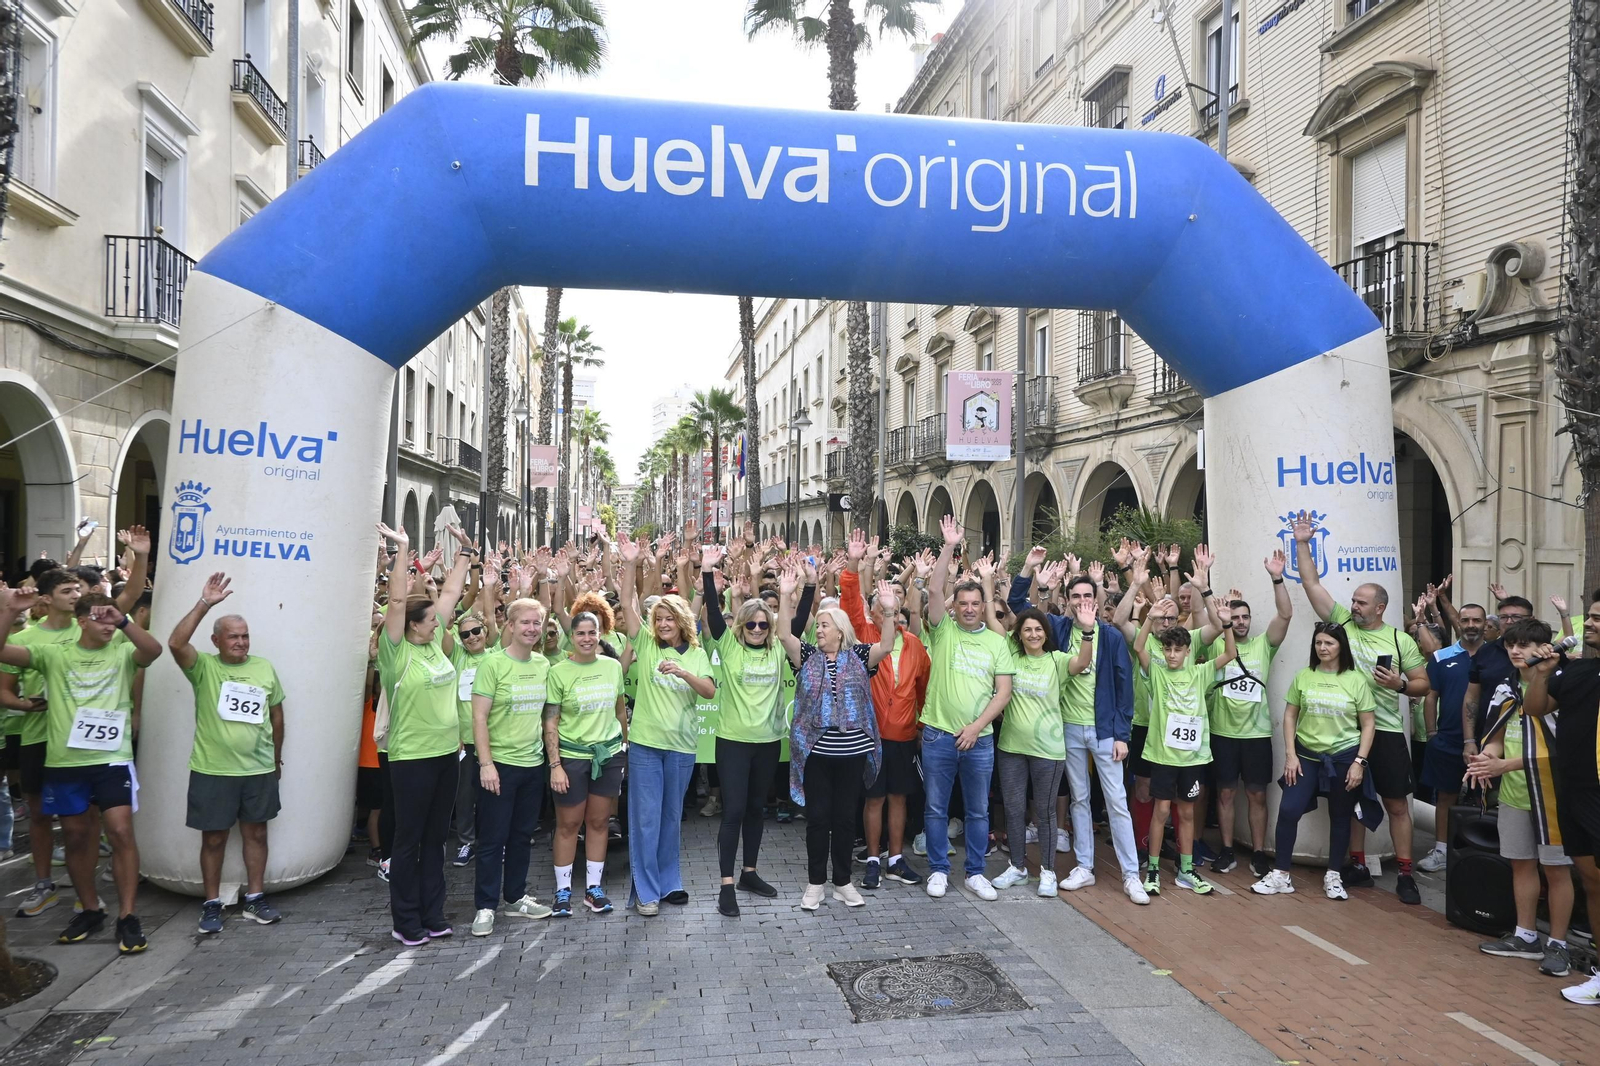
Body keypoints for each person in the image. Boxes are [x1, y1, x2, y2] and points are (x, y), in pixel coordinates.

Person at [0, 586, 162, 953]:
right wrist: (10, 611)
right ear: (82, 622)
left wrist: (124, 620)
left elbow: (153, 651)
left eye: (112, 616)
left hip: (112, 759)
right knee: (75, 835)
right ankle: (90, 909)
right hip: (65, 762)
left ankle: (129, 916)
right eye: (100, 617)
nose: (108, 623)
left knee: (120, 831)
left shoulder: (123, 652)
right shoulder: (54, 655)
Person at [1292, 511, 1428, 904]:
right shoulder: (1342, 625)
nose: (1353, 605)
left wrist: (1400, 683)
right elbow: (1312, 583)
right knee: (1350, 803)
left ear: (1380, 608)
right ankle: (1357, 866)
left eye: (1361, 602)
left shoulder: (1400, 640)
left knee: (1396, 803)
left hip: (1383, 731)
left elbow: (1424, 683)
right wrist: (1303, 542)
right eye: (1352, 600)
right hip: (1345, 734)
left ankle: (1405, 873)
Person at [1010, 553, 1146, 905]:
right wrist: (1032, 575)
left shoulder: (1112, 637)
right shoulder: (1058, 629)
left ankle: (1131, 874)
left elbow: (1124, 688)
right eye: (1077, 597)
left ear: (1097, 600)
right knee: (1080, 800)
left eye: (1089, 596)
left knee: (1117, 801)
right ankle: (1084, 865)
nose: (1083, 602)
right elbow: (1017, 605)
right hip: (1068, 728)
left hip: (1103, 731)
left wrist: (1121, 735)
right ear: (1068, 601)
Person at [168, 572, 286, 934]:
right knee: (214, 838)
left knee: (257, 835)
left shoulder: (264, 667)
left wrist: (276, 759)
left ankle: (255, 898)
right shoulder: (203, 667)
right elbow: (175, 643)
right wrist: (205, 602)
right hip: (213, 769)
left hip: (258, 769)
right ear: (216, 640)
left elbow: (277, 715)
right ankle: (211, 903)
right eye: (233, 636)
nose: (241, 642)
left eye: (245, 635)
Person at [374, 522, 473, 946]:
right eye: (431, 619)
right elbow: (398, 599)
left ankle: (434, 913)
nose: (439, 622)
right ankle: (406, 920)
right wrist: (404, 550)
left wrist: (466, 554)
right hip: (410, 758)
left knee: (436, 840)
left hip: (445, 755)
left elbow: (449, 594)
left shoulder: (434, 645)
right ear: (413, 626)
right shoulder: (396, 654)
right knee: (409, 841)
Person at [776, 561, 895, 910]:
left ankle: (842, 881)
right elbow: (785, 635)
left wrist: (888, 612)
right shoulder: (808, 656)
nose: (819, 630)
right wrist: (786, 597)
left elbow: (886, 646)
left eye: (825, 625)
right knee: (818, 820)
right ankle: (815, 884)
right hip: (816, 754)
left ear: (840, 630)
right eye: (819, 625)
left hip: (852, 753)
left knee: (845, 819)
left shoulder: (859, 656)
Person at [1467, 618, 1575, 978]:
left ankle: (1558, 945)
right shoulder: (1506, 685)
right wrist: (1488, 758)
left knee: (1557, 871)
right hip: (1514, 794)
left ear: (1543, 649)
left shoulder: (1563, 687)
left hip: (1553, 796)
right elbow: (1495, 733)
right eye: (1511, 644)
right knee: (1521, 864)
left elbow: (1567, 752)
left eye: (1525, 645)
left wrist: (1504, 765)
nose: (1516, 650)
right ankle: (1525, 936)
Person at [617, 532, 716, 917]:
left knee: (671, 817)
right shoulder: (644, 642)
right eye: (657, 618)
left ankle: (669, 880)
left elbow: (708, 691)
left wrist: (682, 674)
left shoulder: (694, 652)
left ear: (681, 622)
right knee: (644, 818)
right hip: (645, 745)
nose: (661, 623)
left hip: (682, 746)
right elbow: (627, 602)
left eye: (668, 618)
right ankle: (645, 890)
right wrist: (631, 563)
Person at [921, 515, 1014, 902]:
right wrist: (947, 546)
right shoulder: (941, 629)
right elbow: (934, 586)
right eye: (964, 603)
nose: (971, 608)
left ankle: (976, 872)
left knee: (978, 812)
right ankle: (939, 870)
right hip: (938, 734)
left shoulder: (996, 641)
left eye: (977, 603)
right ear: (954, 606)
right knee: (936, 809)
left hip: (979, 740)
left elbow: (1003, 693)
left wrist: (976, 727)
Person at [1252, 622, 1378, 899]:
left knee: (1341, 816)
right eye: (1319, 643)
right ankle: (1281, 874)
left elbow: (1369, 725)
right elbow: (1289, 716)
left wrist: (1360, 762)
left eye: (1329, 643)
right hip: (1306, 755)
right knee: (1289, 810)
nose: (1323, 648)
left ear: (1341, 647)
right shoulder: (1304, 676)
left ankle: (1334, 876)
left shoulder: (1356, 680)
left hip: (1345, 757)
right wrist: (1290, 755)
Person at [1516, 598, 1600, 1004]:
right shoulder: (1579, 669)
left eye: (1599, 618)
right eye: (1592, 616)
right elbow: (1535, 708)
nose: (1591, 623)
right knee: (1593, 882)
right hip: (1575, 791)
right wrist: (1544, 674)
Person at [699, 546, 786, 916]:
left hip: (767, 743)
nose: (755, 629)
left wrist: (802, 586)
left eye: (762, 624)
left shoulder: (779, 648)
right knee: (732, 811)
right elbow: (715, 614)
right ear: (741, 627)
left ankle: (750, 872)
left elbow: (796, 620)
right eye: (749, 624)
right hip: (732, 742)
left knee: (755, 809)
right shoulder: (729, 647)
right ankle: (726, 886)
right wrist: (706, 573)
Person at [840, 533, 929, 891]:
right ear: (874, 610)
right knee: (874, 799)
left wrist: (918, 725)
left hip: (903, 737)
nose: (890, 608)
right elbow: (849, 601)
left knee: (898, 798)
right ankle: (873, 859)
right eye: (883, 602)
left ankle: (895, 858)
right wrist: (853, 563)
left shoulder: (915, 645)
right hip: (871, 735)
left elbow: (922, 689)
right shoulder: (863, 633)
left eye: (894, 602)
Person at [1134, 594, 1236, 896]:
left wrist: (1226, 623)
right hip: (1163, 756)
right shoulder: (1156, 671)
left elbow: (1230, 653)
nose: (1172, 654)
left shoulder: (1201, 672)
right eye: (1168, 648)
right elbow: (1139, 647)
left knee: (1188, 813)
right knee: (1161, 811)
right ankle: (1152, 869)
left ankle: (1187, 869)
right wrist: (1151, 617)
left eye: (1179, 649)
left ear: (1189, 651)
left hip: (1191, 758)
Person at [468, 596, 556, 935]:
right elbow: (479, 717)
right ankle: (485, 906)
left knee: (521, 836)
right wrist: (486, 764)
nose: (532, 628)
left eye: (537, 623)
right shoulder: (492, 664)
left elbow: (549, 714)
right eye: (525, 622)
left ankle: (515, 898)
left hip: (533, 765)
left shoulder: (543, 665)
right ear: (510, 625)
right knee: (492, 839)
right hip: (499, 766)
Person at [1208, 552, 1293, 877]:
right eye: (1235, 617)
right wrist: (1221, 614)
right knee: (1226, 794)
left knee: (1257, 794)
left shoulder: (1263, 645)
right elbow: (1205, 625)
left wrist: (1276, 577)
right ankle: (1227, 850)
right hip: (1223, 733)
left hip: (1257, 735)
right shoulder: (1219, 644)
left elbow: (1285, 615)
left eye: (1245, 617)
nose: (1240, 622)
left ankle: (1258, 853)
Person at [541, 609, 626, 921]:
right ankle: (562, 891)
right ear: (572, 637)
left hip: (608, 755)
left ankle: (594, 888)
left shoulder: (613, 667)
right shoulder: (559, 672)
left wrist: (623, 748)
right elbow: (550, 721)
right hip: (572, 757)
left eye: (592, 633)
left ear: (599, 633)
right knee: (568, 824)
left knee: (600, 822)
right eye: (581, 634)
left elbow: (619, 711)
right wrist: (555, 765)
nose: (587, 639)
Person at [990, 604, 1070, 895]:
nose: (1033, 634)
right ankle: (1017, 867)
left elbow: (1082, 663)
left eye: (1038, 629)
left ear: (1045, 633)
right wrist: (989, 587)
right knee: (1013, 809)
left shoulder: (1057, 659)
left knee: (1046, 811)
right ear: (1019, 634)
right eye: (1027, 630)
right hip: (1011, 746)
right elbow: (997, 623)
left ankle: (1048, 872)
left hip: (1048, 749)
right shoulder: (1011, 654)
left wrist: (1087, 633)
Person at [448, 590, 499, 869]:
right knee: (465, 797)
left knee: (494, 794)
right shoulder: (457, 657)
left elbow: (491, 615)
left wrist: (488, 587)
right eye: (465, 634)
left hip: (495, 741)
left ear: (485, 631)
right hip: (464, 742)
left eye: (476, 631)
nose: (471, 637)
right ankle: (467, 841)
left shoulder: (497, 655)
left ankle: (494, 842)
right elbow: (443, 625)